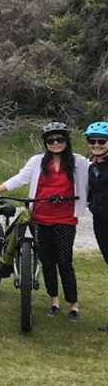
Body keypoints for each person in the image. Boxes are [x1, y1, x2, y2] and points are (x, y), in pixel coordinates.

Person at [0, 122, 89, 321]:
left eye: (60, 139)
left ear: (67, 141)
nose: (55, 143)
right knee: (47, 261)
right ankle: (54, 301)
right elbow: (19, 179)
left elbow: (97, 176)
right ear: (45, 143)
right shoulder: (38, 161)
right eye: (51, 140)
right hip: (40, 218)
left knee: (65, 262)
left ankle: (73, 304)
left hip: (65, 219)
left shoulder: (79, 162)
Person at [84, 122, 108, 331]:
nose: (97, 144)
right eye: (92, 141)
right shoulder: (90, 165)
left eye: (102, 141)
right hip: (100, 221)